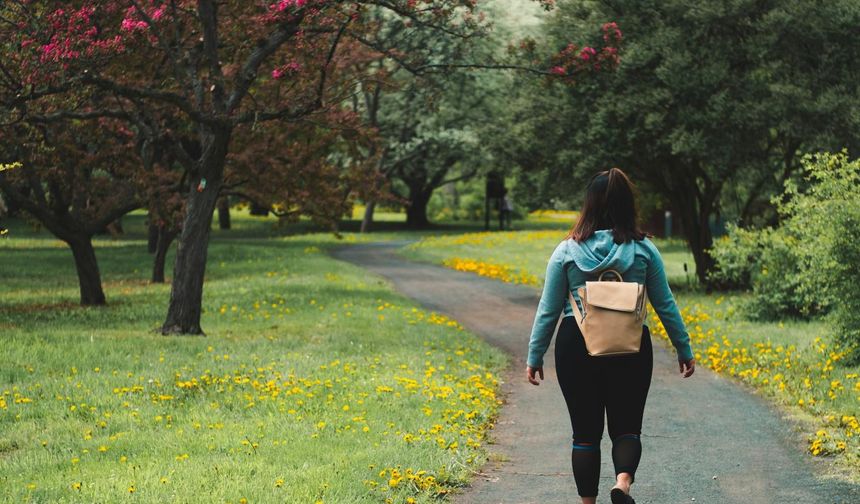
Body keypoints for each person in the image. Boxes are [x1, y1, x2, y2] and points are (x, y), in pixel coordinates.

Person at [525, 167, 695, 504]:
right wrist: (683, 348)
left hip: (576, 344)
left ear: (588, 205)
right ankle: (622, 484)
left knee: (585, 435)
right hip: (630, 345)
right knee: (627, 427)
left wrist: (535, 355)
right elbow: (665, 304)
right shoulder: (644, 250)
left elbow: (548, 309)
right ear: (627, 205)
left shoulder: (566, 251)